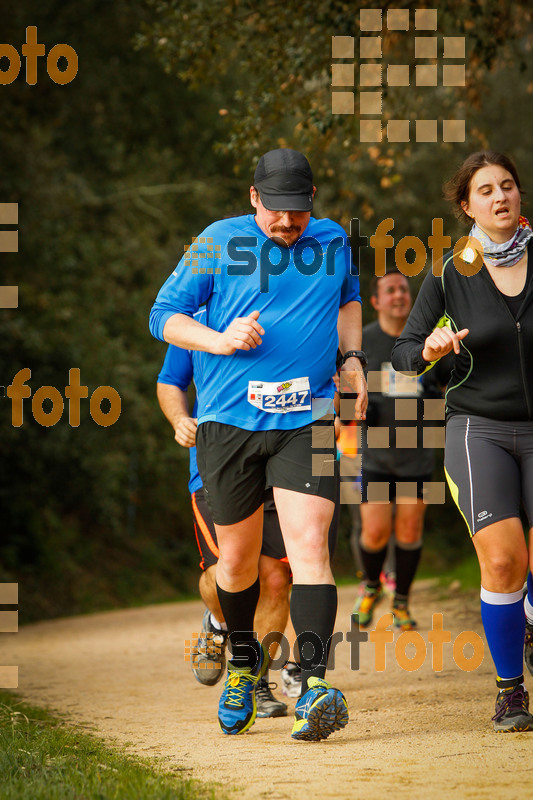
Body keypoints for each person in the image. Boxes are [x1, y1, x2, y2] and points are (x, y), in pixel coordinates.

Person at [150, 147, 367, 740]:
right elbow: (162, 315)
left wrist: (351, 358)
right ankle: (244, 665)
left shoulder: (332, 241)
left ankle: (316, 683)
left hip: (309, 416)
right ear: (254, 200)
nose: (286, 223)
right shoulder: (220, 240)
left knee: (308, 548)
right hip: (229, 425)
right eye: (275, 211)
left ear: (312, 201)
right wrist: (218, 339)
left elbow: (349, 301)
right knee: (238, 563)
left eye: (296, 211)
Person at [391, 151, 533, 733]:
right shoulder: (452, 270)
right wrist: (429, 350)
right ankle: (509, 692)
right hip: (479, 429)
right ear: (466, 205)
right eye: (485, 190)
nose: (500, 197)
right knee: (503, 560)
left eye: (508, 186)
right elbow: (403, 353)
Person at [156, 309, 291, 717]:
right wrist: (180, 418)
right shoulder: (195, 318)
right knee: (229, 570)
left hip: (281, 462)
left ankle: (255, 681)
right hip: (216, 467)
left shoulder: (288, 306)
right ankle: (218, 622)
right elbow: (169, 382)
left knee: (275, 577)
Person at [351, 270, 451, 631]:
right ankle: (372, 586)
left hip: (417, 454)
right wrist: (357, 411)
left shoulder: (427, 341)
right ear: (376, 301)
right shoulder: (362, 341)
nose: (398, 295)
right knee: (374, 531)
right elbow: (341, 392)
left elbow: (447, 389)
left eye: (403, 289)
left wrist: (435, 399)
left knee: (409, 531)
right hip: (375, 455)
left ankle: (403, 603)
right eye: (389, 290)